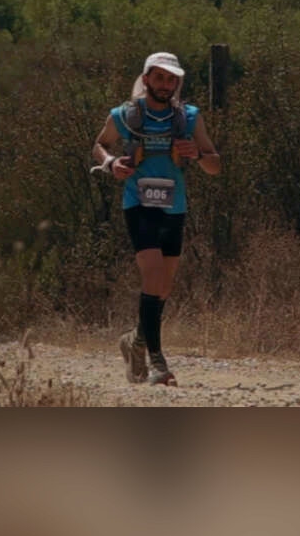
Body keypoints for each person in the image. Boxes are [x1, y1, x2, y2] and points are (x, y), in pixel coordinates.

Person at [92, 52, 221, 386]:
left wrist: (198, 155)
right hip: (138, 204)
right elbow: (100, 145)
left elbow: (215, 164)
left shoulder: (190, 118)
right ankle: (158, 363)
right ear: (146, 79)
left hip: (173, 206)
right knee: (153, 277)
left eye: (171, 79)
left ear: (177, 83)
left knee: (163, 285)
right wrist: (111, 165)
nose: (165, 85)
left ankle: (134, 342)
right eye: (159, 78)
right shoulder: (124, 116)